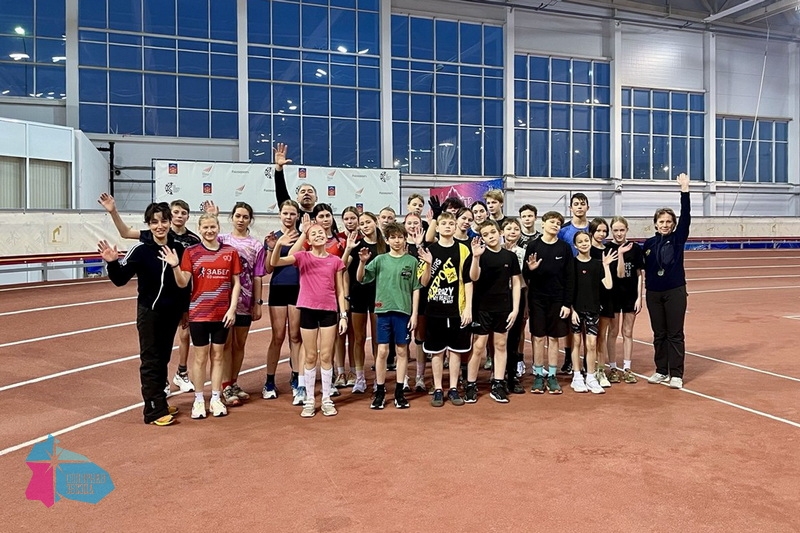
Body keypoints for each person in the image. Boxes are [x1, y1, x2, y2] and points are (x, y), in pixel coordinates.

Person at [97, 193, 200, 393]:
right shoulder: (143, 247)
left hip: (171, 313)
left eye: (164, 221)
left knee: (163, 356)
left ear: (170, 222)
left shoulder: (179, 248)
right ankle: (154, 404)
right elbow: (120, 277)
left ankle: (160, 396)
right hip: (149, 311)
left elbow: (184, 284)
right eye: (154, 222)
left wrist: (184, 310)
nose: (159, 226)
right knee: (151, 359)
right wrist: (112, 262)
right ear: (148, 224)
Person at [163, 213, 241, 419]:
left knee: (218, 356)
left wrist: (232, 308)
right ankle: (199, 400)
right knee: (200, 358)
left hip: (222, 314)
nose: (209, 231)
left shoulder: (230, 252)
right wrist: (175, 266)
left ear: (218, 228)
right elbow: (183, 282)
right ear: (199, 229)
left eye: (213, 227)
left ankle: (215, 398)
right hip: (199, 313)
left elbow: (236, 283)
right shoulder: (191, 252)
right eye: (205, 227)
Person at [271, 223, 348, 417]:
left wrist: (343, 315)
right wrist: (279, 245)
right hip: (308, 310)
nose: (318, 235)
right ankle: (310, 399)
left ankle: (327, 399)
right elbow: (276, 262)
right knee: (311, 356)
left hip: (329, 310)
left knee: (326, 356)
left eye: (321, 232)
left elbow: (340, 291)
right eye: (313, 234)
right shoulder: (302, 257)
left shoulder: (335, 261)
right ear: (308, 240)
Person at [201, 201, 266, 407]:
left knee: (239, 344)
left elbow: (257, 276)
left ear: (250, 220)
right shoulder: (222, 240)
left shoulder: (256, 246)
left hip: (245, 301)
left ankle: (234, 382)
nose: (241, 220)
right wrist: (212, 216)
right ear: (232, 217)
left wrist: (258, 302)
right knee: (225, 344)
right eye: (238, 216)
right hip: (223, 300)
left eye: (245, 217)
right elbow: (206, 239)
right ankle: (225, 385)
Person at [357, 222, 421, 409]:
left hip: (403, 312)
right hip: (383, 311)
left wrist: (414, 314)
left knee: (402, 351)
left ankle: (400, 392)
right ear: (386, 240)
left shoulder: (412, 261)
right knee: (383, 351)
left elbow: (416, 288)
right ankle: (380, 391)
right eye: (393, 237)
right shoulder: (380, 260)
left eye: (400, 237)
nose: (397, 241)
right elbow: (361, 278)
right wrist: (362, 262)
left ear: (405, 239)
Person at [418, 212, 473, 407]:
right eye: (444, 223)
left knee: (456, 351)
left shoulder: (463, 249)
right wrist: (428, 264)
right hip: (434, 309)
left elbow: (468, 281)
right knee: (437, 352)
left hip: (456, 309)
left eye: (451, 223)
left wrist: (468, 308)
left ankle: (454, 388)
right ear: (438, 227)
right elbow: (423, 282)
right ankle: (438, 388)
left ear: (456, 226)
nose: (448, 226)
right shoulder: (429, 250)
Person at [644, 173, 691, 390]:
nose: (665, 225)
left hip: (675, 291)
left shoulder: (678, 239)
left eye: (668, 222)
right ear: (655, 224)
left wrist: (685, 190)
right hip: (653, 293)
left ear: (673, 225)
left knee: (675, 333)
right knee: (659, 334)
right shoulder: (648, 244)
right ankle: (661, 370)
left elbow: (686, 215)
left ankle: (676, 374)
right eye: (661, 221)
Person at [465, 221, 521, 404]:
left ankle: (498, 383)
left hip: (503, 308)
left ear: (500, 232)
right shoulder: (479, 254)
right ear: (482, 237)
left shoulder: (510, 256)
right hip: (482, 308)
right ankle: (471, 385)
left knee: (501, 344)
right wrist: (475, 257)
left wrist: (515, 309)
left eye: (493, 232)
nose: (490, 236)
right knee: (479, 346)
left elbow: (516, 284)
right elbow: (473, 277)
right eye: (486, 234)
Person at [523, 211, 574, 395]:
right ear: (543, 224)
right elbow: (525, 275)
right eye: (552, 222)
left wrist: (567, 303)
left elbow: (570, 277)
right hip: (537, 299)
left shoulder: (564, 248)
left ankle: (552, 376)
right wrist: (531, 269)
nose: (555, 225)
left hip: (558, 300)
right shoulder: (533, 246)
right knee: (538, 337)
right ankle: (538, 374)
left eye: (558, 223)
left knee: (553, 338)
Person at [263, 200, 303, 402]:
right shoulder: (273, 237)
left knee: (295, 336)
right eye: (285, 213)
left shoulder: (304, 237)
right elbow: (268, 269)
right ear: (280, 214)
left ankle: (296, 378)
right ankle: (269, 381)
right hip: (278, 289)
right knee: (277, 336)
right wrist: (272, 248)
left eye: (292, 213)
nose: (288, 217)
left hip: (298, 288)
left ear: (298, 216)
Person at [343, 212, 386, 394]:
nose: (365, 226)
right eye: (362, 223)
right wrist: (348, 248)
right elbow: (341, 266)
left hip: (379, 296)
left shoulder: (384, 246)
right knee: (359, 338)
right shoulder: (357, 245)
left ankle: (378, 378)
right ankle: (359, 378)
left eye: (368, 222)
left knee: (378, 339)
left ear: (375, 222)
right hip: (358, 294)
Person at [569, 231, 616, 394]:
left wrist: (606, 266)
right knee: (576, 342)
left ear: (590, 242)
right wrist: (572, 310)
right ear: (575, 245)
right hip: (576, 310)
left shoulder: (597, 264)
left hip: (593, 310)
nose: (584, 243)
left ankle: (590, 376)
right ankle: (576, 376)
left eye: (586, 240)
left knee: (591, 344)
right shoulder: (572, 264)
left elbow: (608, 285)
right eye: (580, 241)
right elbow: (569, 289)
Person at [606, 216, 644, 384]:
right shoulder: (607, 248)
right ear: (611, 231)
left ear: (627, 230)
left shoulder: (635, 249)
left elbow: (639, 274)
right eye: (615, 230)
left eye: (622, 230)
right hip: (613, 296)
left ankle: (627, 367)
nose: (619, 233)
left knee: (627, 332)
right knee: (613, 332)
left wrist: (639, 297)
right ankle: (613, 368)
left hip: (630, 295)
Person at [557, 192, 590, 375]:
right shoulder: (564, 231)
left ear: (587, 207)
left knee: (588, 323)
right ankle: (569, 357)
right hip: (569, 279)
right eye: (576, 204)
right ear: (570, 208)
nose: (579, 207)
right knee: (571, 321)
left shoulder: (593, 228)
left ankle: (587, 359)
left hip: (589, 279)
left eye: (582, 204)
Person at [334, 206, 361, 389]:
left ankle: (353, 371)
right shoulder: (338, 239)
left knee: (353, 333)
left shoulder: (362, 239)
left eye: (353, 218)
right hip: (339, 289)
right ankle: (340, 371)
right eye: (347, 219)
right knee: (339, 333)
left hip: (357, 289)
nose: (350, 221)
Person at [403, 213, 430, 393]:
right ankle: (404, 377)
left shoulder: (427, 246)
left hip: (422, 298)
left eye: (416, 223)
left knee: (420, 338)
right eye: (409, 223)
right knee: (403, 340)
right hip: (403, 297)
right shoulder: (399, 244)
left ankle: (420, 377)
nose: (413, 226)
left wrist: (419, 244)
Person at [501, 217, 528, 392]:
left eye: (516, 229)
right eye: (509, 228)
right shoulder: (495, 250)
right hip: (498, 297)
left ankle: (512, 376)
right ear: (502, 232)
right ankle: (498, 376)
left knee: (514, 338)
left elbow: (525, 282)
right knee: (498, 339)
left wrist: (525, 305)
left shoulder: (523, 253)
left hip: (517, 296)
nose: (512, 231)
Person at [588, 217, 614, 388]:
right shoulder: (586, 249)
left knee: (601, 336)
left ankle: (601, 370)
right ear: (592, 232)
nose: (602, 234)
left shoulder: (610, 250)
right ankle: (588, 368)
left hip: (607, 296)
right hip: (589, 297)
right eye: (598, 230)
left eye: (604, 231)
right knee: (590, 337)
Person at [273, 143, 317, 221]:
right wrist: (279, 168)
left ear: (316, 198)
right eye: (303, 192)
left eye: (310, 191)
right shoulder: (293, 214)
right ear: (297, 199)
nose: (306, 193)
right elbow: (281, 193)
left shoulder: (323, 215)